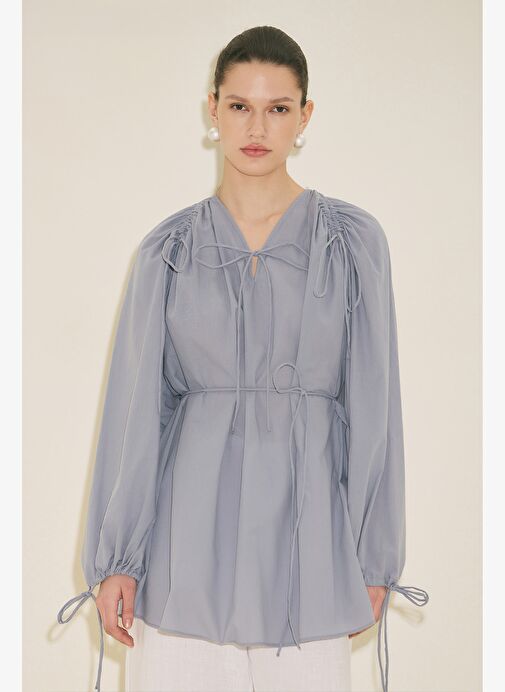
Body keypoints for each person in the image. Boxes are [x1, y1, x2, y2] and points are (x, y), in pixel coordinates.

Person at [56, 25, 429, 692]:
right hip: (181, 563)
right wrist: (119, 559)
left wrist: (373, 558)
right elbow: (135, 414)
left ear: (304, 116)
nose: (257, 127)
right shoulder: (168, 250)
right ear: (213, 109)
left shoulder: (350, 244)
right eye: (239, 105)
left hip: (311, 562)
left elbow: (376, 406)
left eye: (277, 107)